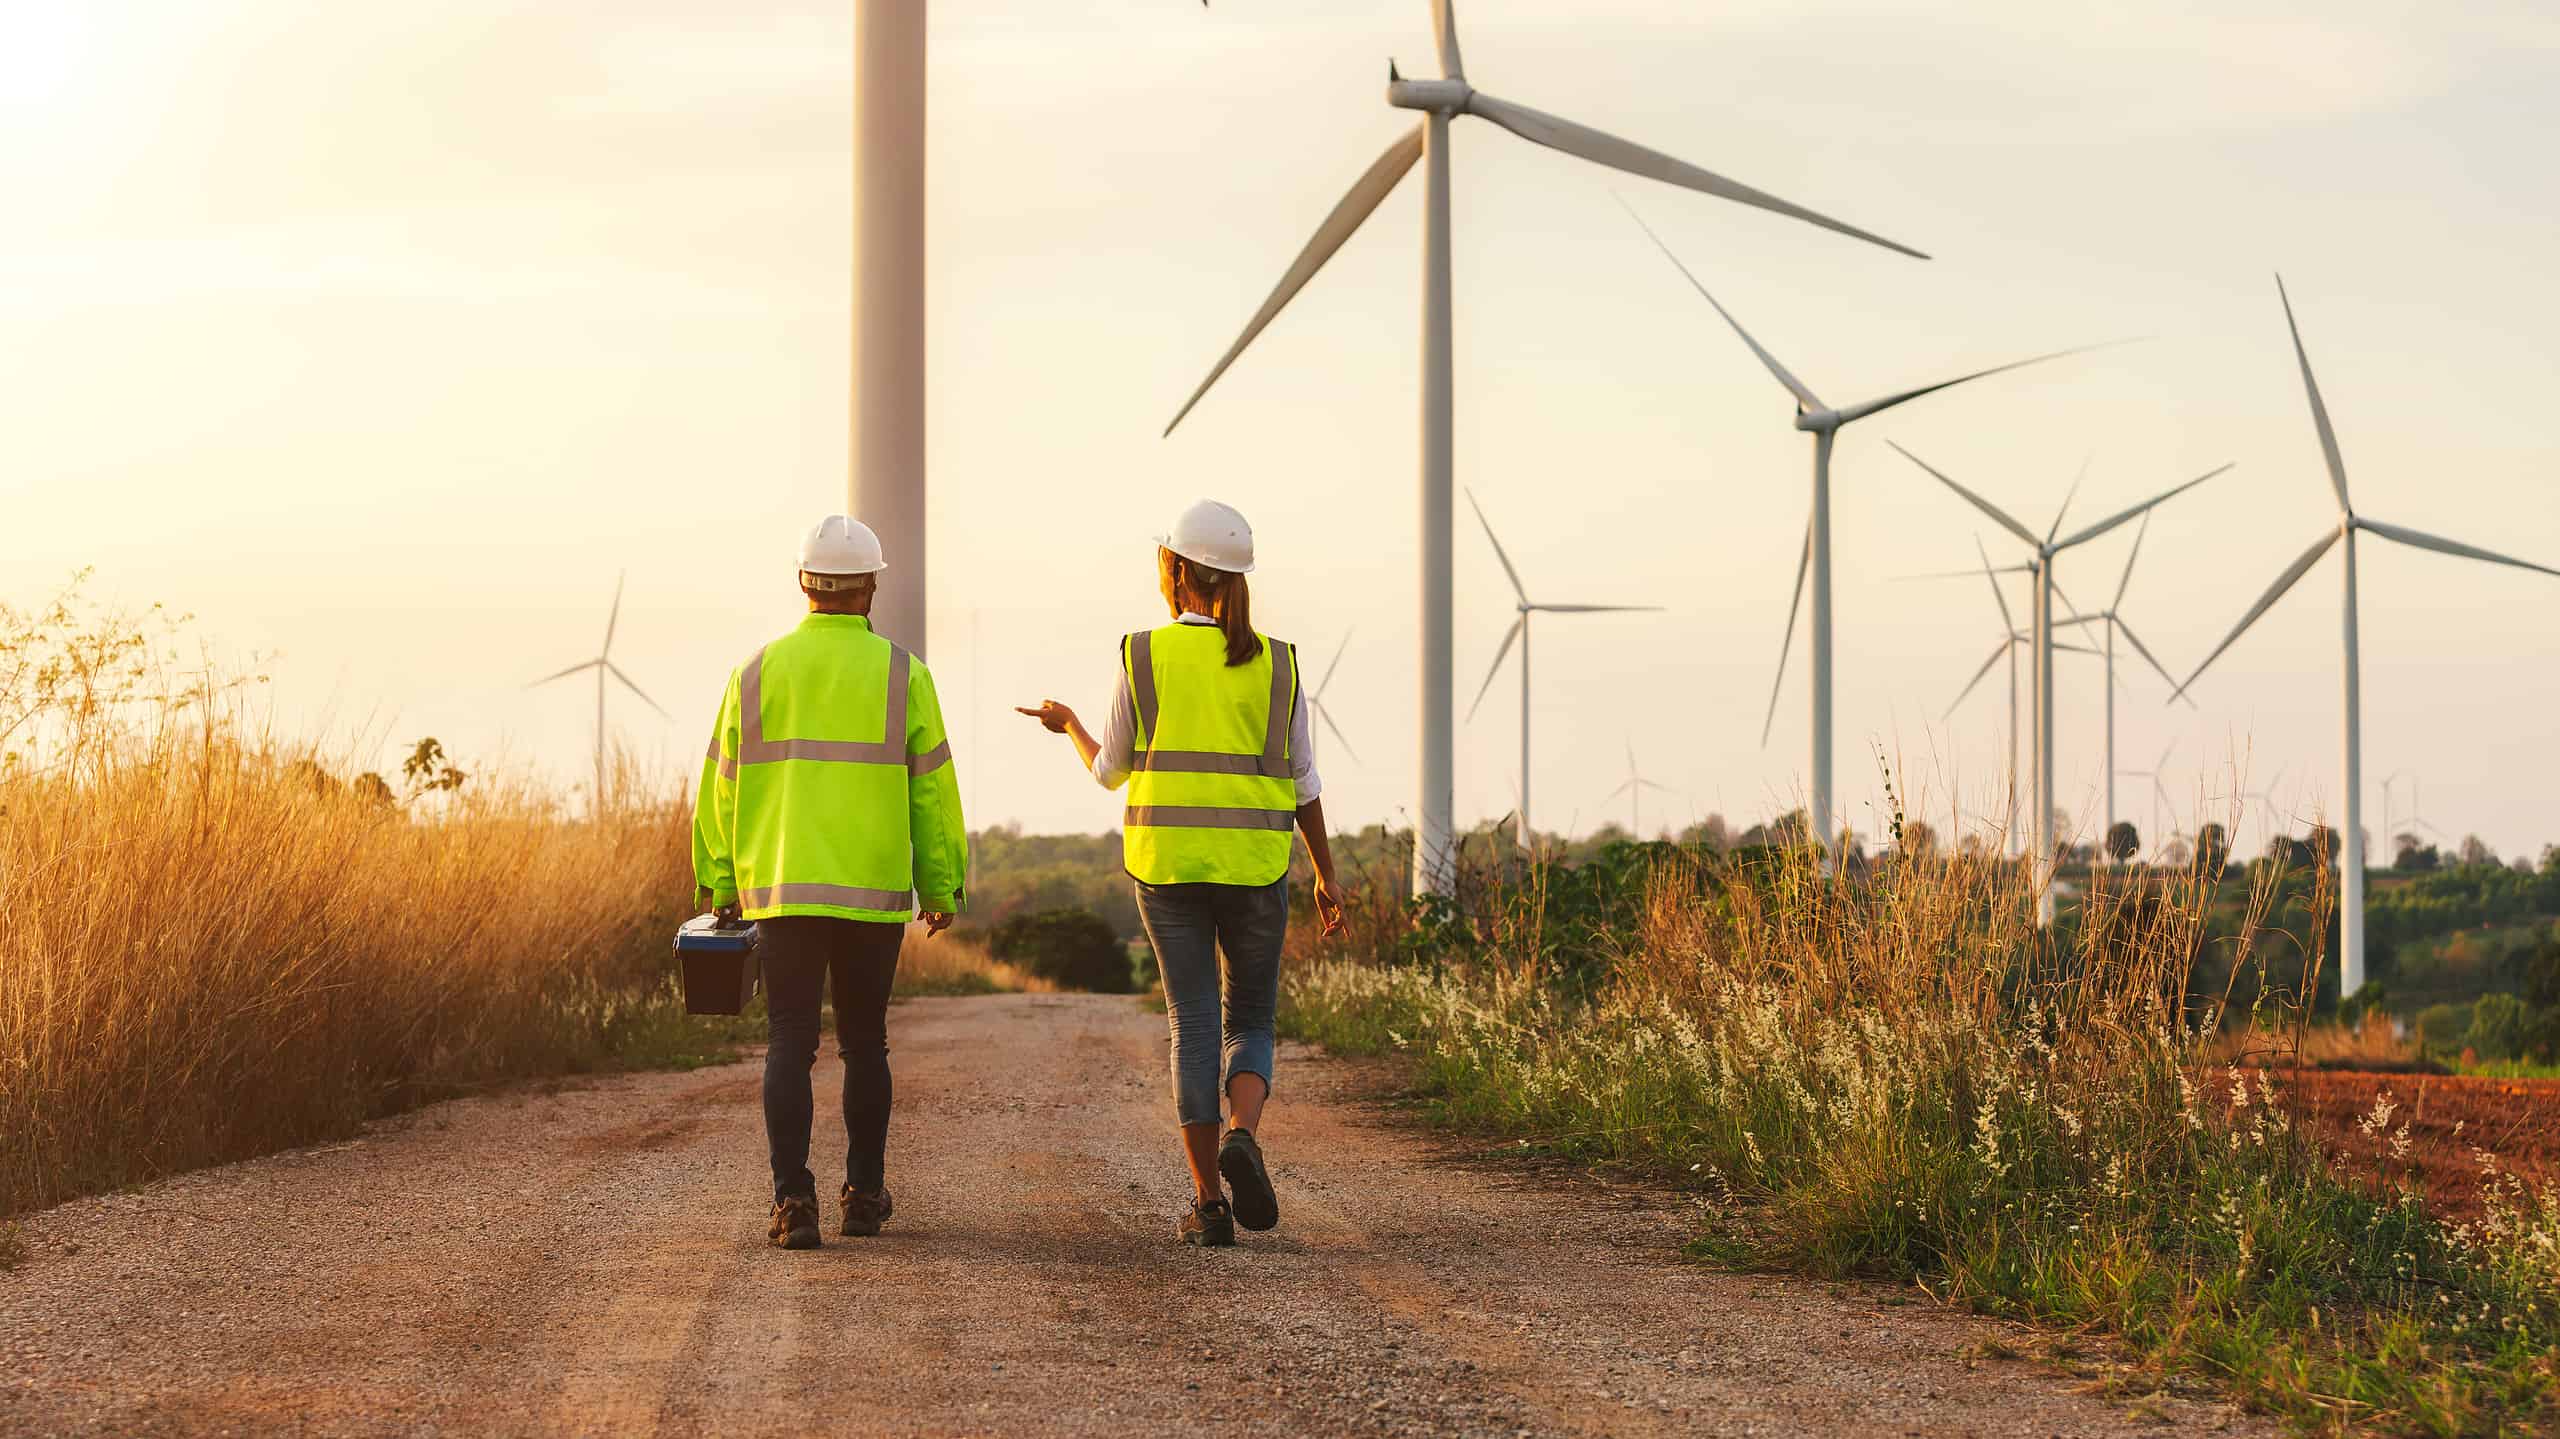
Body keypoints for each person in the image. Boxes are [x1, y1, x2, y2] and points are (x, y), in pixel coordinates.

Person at [1016, 499, 1345, 1248]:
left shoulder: (1141, 654)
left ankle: (1208, 1204)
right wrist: (1326, 875)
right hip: (1255, 868)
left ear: (1174, 571)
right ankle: (1243, 1134)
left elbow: (1110, 771)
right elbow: (1304, 784)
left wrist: (1069, 725)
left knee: (1192, 1023)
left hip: (1166, 869)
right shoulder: (1281, 662)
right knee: (1250, 1018)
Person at [692, 515, 967, 1251]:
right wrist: (941, 886)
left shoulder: (754, 673)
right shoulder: (905, 675)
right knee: (865, 1042)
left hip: (783, 889)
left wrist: (719, 879)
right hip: (872, 891)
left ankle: (793, 1202)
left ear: (802, 582)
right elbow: (932, 793)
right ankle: (864, 1195)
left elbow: (721, 787)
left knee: (790, 1040)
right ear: (871, 585)